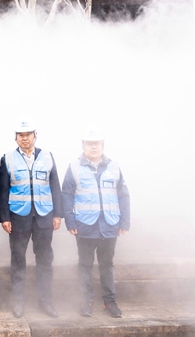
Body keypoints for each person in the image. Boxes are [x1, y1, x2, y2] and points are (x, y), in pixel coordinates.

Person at [61, 127, 130, 318]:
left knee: (107, 264)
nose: (93, 147)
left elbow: (123, 195)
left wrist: (124, 221)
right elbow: (66, 195)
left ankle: (110, 301)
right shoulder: (74, 167)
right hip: (85, 226)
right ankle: (86, 301)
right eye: (89, 144)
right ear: (83, 146)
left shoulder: (114, 167)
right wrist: (70, 222)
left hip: (109, 225)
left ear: (103, 146)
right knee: (85, 264)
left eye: (96, 144)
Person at [0, 120, 64, 319]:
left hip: (44, 217)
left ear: (35, 135)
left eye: (28, 134)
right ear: (16, 137)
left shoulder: (48, 156)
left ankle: (45, 302)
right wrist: (4, 217)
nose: (24, 138)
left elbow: (55, 187)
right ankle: (18, 302)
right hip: (19, 217)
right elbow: (3, 190)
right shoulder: (8, 158)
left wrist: (57, 214)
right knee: (18, 260)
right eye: (20, 135)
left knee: (45, 260)